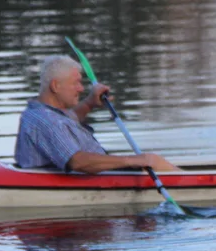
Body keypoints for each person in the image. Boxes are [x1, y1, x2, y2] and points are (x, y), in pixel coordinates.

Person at [15, 55, 179, 173]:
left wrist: (89, 103)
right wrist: (136, 160)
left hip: (100, 172)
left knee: (157, 162)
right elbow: (77, 162)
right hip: (87, 177)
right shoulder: (47, 121)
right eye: (76, 83)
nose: (81, 88)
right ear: (56, 86)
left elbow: (66, 124)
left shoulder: (43, 113)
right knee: (155, 162)